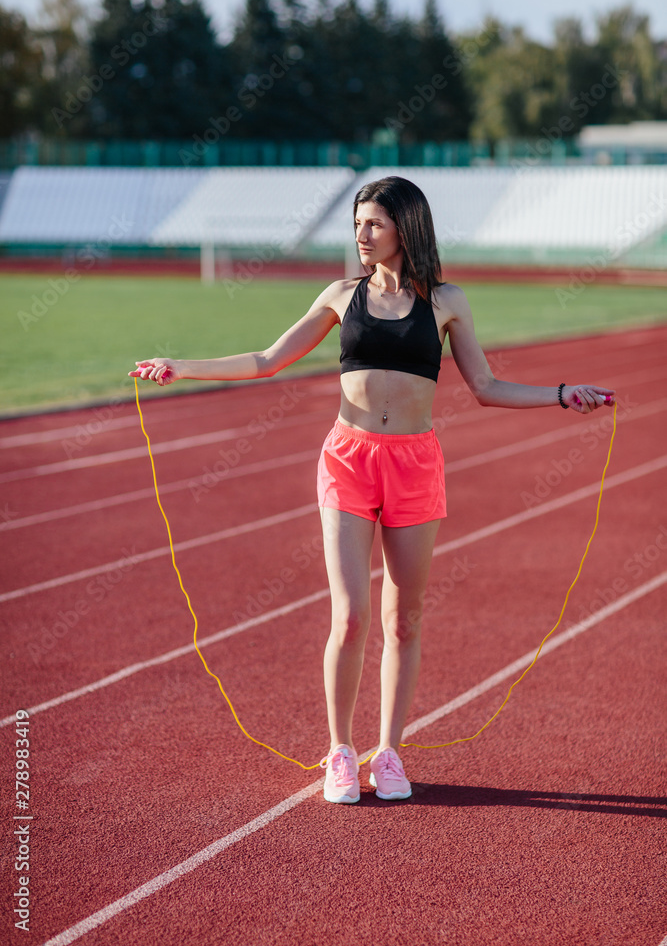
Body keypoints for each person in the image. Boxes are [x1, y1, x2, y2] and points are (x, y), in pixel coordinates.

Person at [129, 175, 615, 805]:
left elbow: (487, 386)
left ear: (405, 228)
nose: (361, 233)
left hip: (415, 464)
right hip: (349, 460)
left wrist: (559, 394)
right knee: (353, 615)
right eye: (357, 222)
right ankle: (339, 751)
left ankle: (388, 752)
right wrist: (181, 365)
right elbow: (266, 358)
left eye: (374, 223)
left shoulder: (447, 301)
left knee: (403, 621)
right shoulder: (340, 296)